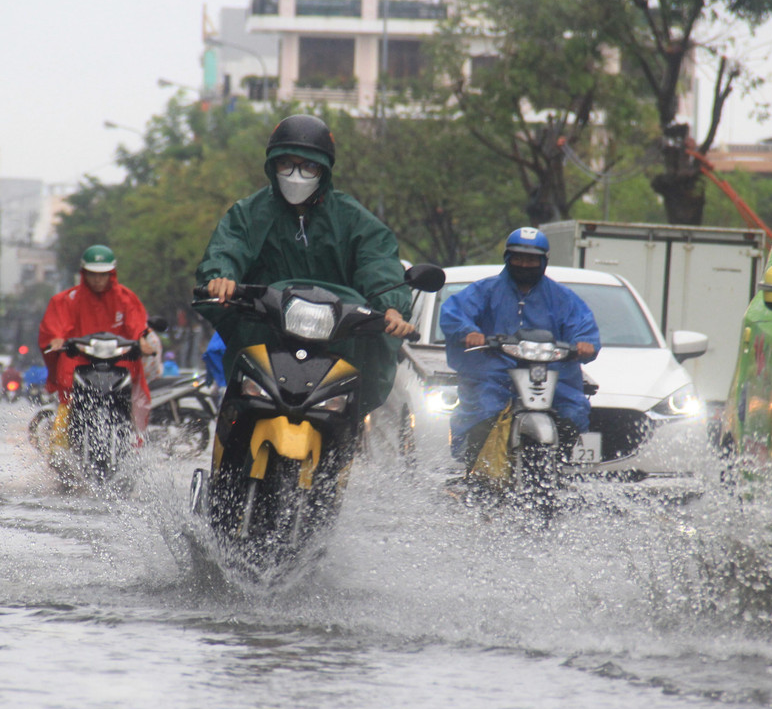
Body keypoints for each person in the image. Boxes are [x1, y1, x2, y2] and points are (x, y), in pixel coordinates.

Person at [195, 113, 414, 412]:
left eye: (309, 165)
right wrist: (221, 278)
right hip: (265, 337)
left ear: (324, 171)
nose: (296, 174)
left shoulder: (354, 219)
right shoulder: (248, 213)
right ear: (273, 165)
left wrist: (391, 306)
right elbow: (228, 248)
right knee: (239, 404)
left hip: (338, 344)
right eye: (287, 163)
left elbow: (378, 262)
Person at [439, 227, 601, 466]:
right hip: (493, 376)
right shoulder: (485, 290)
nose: (525, 264)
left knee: (574, 411)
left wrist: (585, 344)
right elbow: (454, 312)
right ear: (508, 258)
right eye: (519, 258)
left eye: (532, 259)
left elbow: (582, 325)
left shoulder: (562, 297)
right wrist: (470, 333)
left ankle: (559, 467)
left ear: (543, 261)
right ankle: (475, 469)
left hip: (550, 377)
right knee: (483, 409)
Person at [39, 244, 154, 432]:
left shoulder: (126, 298)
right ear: (84, 273)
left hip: (118, 361)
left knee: (137, 397)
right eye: (93, 274)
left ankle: (137, 436)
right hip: (79, 359)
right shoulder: (68, 299)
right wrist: (56, 338)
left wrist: (141, 340)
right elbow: (55, 324)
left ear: (112, 274)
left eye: (103, 274)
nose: (98, 280)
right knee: (66, 390)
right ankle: (60, 442)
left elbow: (136, 323)